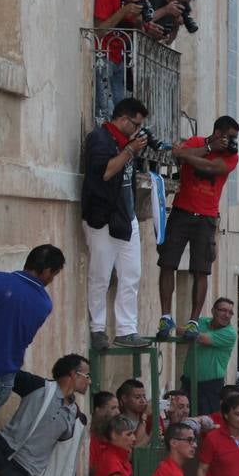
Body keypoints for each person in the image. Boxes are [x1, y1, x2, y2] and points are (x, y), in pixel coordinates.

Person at [0, 244, 64, 476]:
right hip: (5, 377)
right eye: (53, 274)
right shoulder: (44, 303)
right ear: (46, 271)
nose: (51, 280)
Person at [157, 117, 239, 340]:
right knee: (167, 263)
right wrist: (207, 148)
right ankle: (165, 315)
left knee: (201, 270)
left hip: (207, 217)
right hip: (181, 211)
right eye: (230, 136)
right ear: (218, 133)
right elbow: (179, 154)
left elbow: (210, 166)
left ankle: (193, 320)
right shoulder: (196, 141)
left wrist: (188, 154)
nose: (233, 142)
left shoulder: (231, 157)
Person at [83, 97, 151, 350]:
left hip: (126, 216)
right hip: (102, 217)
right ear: (123, 119)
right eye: (135, 124)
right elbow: (105, 172)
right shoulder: (100, 139)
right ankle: (98, 329)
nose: (136, 130)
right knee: (100, 274)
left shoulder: (123, 142)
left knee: (131, 274)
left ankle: (126, 329)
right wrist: (130, 150)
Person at [182, 297, 239, 415]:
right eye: (223, 310)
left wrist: (178, 329)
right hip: (188, 383)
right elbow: (185, 331)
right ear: (213, 311)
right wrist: (184, 331)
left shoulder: (230, 333)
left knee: (206, 424)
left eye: (230, 312)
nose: (227, 315)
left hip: (209, 387)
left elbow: (201, 338)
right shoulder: (202, 321)